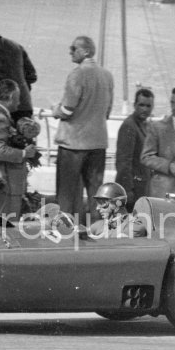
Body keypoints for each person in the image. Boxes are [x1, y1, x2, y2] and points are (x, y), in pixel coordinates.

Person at [52, 36, 114, 224]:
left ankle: (65, 234)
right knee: (96, 193)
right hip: (97, 143)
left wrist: (55, 110)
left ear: (85, 51)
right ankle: (96, 233)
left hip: (73, 144)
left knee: (67, 195)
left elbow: (67, 109)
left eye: (73, 48)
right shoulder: (107, 75)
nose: (70, 52)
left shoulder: (77, 74)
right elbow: (108, 110)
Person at [0, 79, 37, 221]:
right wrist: (24, 153)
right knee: (5, 228)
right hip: (3, 183)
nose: (19, 102)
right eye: (17, 98)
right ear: (11, 97)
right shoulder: (0, 118)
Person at [115, 88, 154, 212]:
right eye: (141, 105)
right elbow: (123, 162)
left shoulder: (146, 126)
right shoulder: (129, 126)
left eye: (148, 106)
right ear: (135, 105)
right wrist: (127, 191)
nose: (145, 109)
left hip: (142, 190)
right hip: (131, 191)